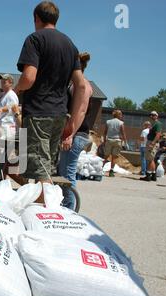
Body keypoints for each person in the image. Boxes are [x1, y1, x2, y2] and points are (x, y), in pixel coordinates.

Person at [13, 1, 89, 202]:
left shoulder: (35, 39)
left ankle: (46, 219)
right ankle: (39, 212)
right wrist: (72, 121)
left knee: (41, 173)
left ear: (36, 18)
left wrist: (17, 88)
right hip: (58, 115)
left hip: (39, 112)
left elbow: (29, 77)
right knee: (44, 167)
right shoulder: (70, 45)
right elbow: (81, 86)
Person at [58, 52, 94, 210]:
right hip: (74, 134)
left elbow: (81, 111)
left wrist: (69, 135)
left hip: (77, 135)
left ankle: (70, 212)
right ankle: (65, 208)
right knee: (64, 174)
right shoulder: (74, 85)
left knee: (68, 176)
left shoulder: (82, 85)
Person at [102, 110, 127, 177]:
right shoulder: (121, 123)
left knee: (106, 156)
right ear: (118, 115)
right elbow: (123, 133)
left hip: (109, 140)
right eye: (121, 114)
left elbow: (105, 132)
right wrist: (125, 142)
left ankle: (100, 169)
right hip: (117, 140)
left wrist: (104, 140)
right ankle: (111, 171)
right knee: (114, 157)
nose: (121, 116)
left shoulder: (108, 122)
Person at [0, 74, 19, 140]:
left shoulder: (11, 95)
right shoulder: (5, 95)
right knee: (0, 149)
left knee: (3, 149)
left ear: (11, 83)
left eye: (4, 82)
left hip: (6, 127)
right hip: (3, 127)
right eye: (1, 82)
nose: (2, 84)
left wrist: (1, 109)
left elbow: (12, 107)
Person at [140, 111, 162, 182]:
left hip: (152, 143)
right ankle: (153, 175)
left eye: (153, 115)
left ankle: (148, 176)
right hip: (152, 142)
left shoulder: (157, 124)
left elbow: (158, 134)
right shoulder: (154, 124)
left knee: (150, 159)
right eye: (151, 115)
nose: (151, 116)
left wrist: (152, 143)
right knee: (151, 159)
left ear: (156, 116)